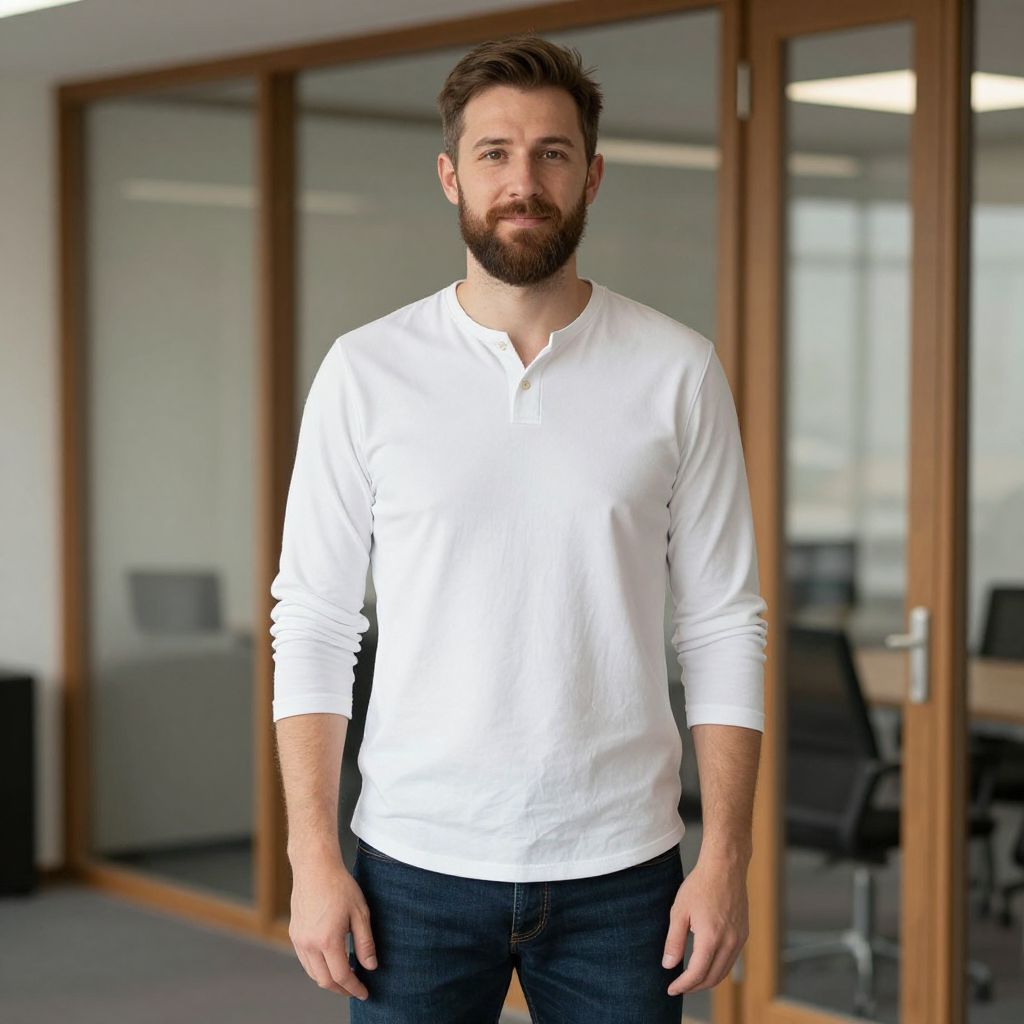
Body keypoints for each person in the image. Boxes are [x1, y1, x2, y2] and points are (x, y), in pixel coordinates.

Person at [270, 31, 767, 1023]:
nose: (523, 179)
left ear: (591, 175)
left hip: (625, 874)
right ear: (451, 174)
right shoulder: (365, 372)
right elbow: (316, 623)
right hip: (410, 867)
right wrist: (312, 855)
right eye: (495, 152)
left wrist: (725, 857)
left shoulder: (676, 370)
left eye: (551, 153)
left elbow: (720, 622)